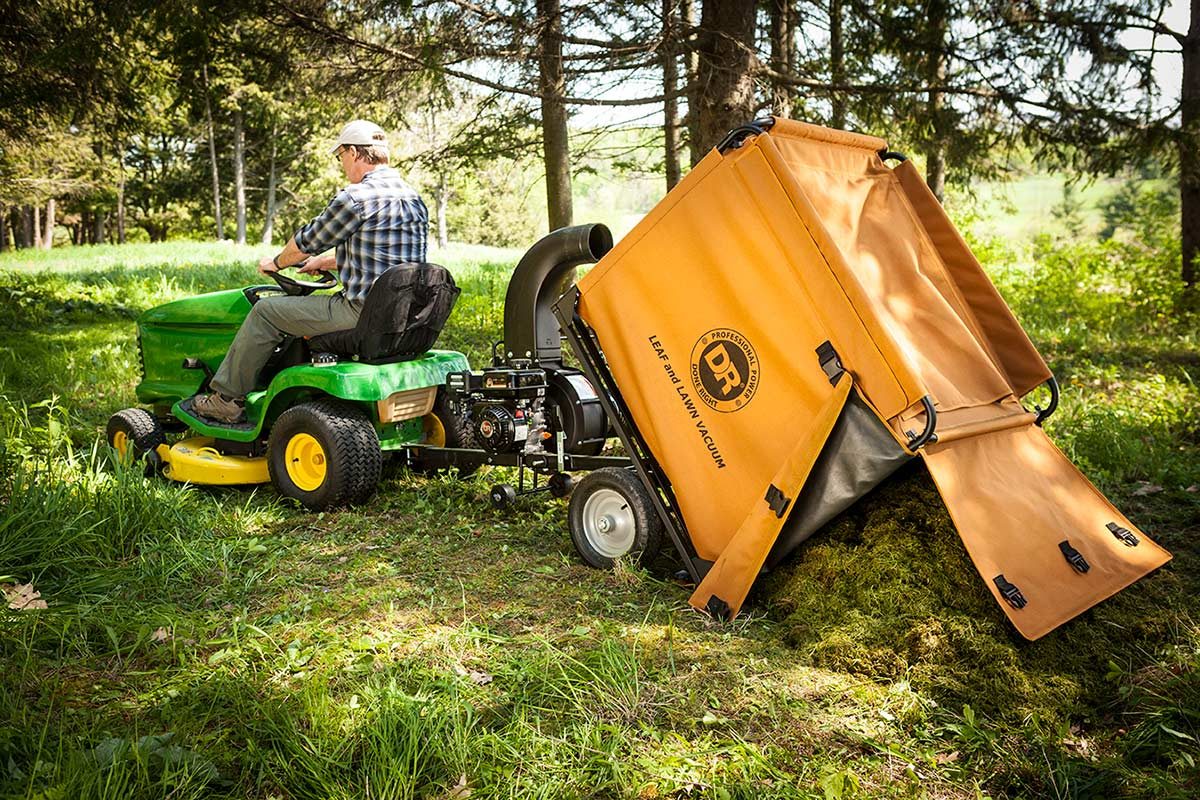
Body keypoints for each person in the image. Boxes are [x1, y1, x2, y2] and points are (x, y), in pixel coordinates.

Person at [192, 120, 429, 423]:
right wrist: (326, 262)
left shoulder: (356, 198)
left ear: (355, 153)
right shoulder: (413, 199)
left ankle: (225, 399)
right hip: (404, 316)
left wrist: (277, 263)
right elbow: (387, 260)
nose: (342, 164)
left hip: (361, 313)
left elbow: (305, 244)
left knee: (266, 311)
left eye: (341, 155)